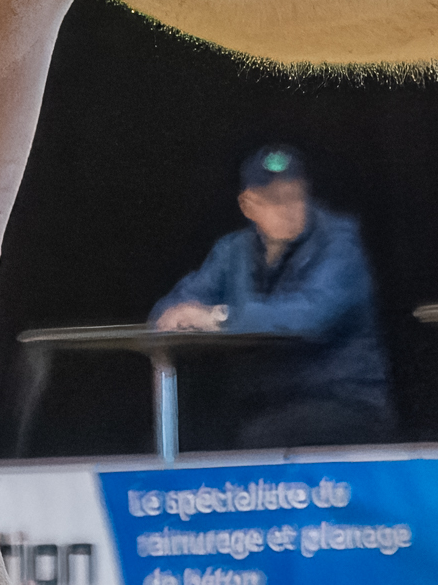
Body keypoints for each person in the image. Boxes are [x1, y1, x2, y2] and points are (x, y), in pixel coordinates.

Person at [152, 145, 395, 449]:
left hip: (343, 398)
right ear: (248, 205)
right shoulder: (232, 251)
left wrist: (219, 317)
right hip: (264, 401)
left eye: (295, 195)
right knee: (190, 433)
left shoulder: (339, 242)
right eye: (274, 199)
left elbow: (309, 317)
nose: (288, 208)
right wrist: (174, 315)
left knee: (262, 435)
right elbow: (173, 308)